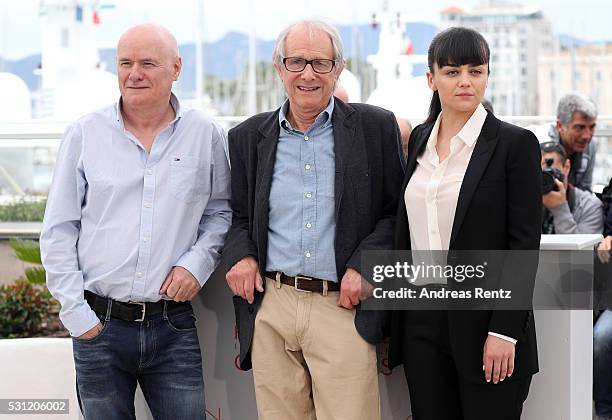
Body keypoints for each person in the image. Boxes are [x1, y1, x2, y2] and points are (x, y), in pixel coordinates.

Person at [40, 23, 231, 420]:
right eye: (125, 63)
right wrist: (77, 316)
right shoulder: (84, 134)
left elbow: (220, 212)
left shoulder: (206, 134)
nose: (134, 73)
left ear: (176, 68)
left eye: (147, 63)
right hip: (98, 326)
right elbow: (58, 230)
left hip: (172, 324)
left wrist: (195, 264)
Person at [223, 19, 404, 420]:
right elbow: (235, 215)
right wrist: (241, 255)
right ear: (279, 69)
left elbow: (397, 212)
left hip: (341, 305)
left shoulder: (375, 127)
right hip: (272, 304)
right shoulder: (247, 137)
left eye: (320, 63)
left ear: (338, 70)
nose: (308, 74)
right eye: (297, 62)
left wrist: (364, 265)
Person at [388, 27, 541, 419]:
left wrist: (505, 330)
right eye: (453, 71)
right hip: (421, 319)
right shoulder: (419, 139)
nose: (466, 82)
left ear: (487, 75)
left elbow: (523, 245)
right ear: (431, 78)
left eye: (476, 71)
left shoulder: (514, 144)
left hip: (487, 323)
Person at [528, 92, 597, 191]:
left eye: (592, 127)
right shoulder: (538, 143)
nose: (587, 136)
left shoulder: (590, 145)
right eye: (579, 127)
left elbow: (585, 190)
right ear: (560, 125)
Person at [540, 142, 603, 234]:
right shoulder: (524, 201)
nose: (545, 179)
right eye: (539, 173)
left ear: (566, 167)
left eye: (550, 172)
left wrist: (559, 209)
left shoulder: (590, 206)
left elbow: (582, 247)